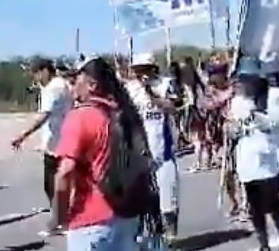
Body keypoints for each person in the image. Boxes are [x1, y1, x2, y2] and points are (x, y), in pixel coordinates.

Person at [52, 57, 153, 251]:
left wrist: (59, 217)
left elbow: (65, 173)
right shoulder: (122, 114)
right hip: (127, 216)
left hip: (91, 221)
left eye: (75, 81)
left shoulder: (80, 117)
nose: (71, 86)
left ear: (92, 85)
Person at [227, 58, 279, 251]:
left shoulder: (273, 95)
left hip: (269, 156)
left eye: (248, 78)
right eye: (242, 79)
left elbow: (275, 122)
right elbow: (236, 130)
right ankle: (263, 244)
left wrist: (254, 113)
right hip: (247, 159)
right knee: (254, 206)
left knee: (273, 203)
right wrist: (231, 129)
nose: (244, 83)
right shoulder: (237, 101)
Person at [125, 53, 181, 241]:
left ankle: (170, 232)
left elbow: (173, 108)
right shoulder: (129, 90)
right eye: (137, 70)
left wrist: (151, 94)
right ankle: (152, 236)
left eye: (144, 69)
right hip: (140, 153)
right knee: (144, 200)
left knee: (168, 196)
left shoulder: (165, 84)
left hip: (163, 151)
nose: (141, 74)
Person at [12, 57, 73, 223]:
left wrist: (23, 135)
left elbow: (44, 115)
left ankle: (62, 219)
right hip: (62, 140)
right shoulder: (62, 84)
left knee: (52, 185)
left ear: (45, 71)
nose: (36, 79)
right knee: (60, 183)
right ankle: (63, 216)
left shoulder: (54, 88)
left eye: (36, 74)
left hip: (57, 144)